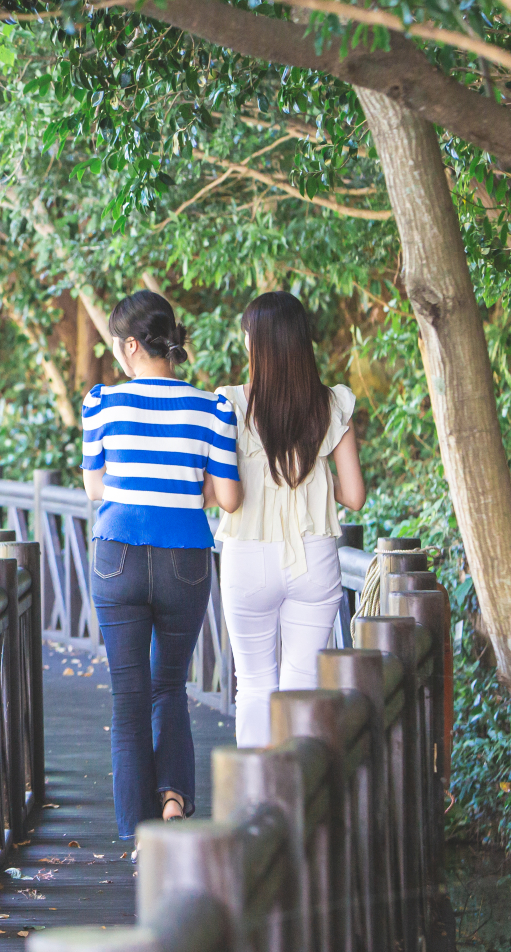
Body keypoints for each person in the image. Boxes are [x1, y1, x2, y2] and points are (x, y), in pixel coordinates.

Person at [80, 290, 243, 839]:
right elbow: (225, 495)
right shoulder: (213, 408)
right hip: (185, 560)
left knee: (128, 699)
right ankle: (174, 796)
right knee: (169, 685)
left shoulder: (102, 404)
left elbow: (96, 487)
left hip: (118, 556)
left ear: (130, 345)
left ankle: (138, 836)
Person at [215, 291, 366, 748]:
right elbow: (355, 496)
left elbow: (220, 495)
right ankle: (299, 807)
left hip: (247, 558)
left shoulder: (229, 404)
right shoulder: (331, 404)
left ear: (253, 343)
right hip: (313, 557)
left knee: (255, 686)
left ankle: (253, 808)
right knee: (301, 688)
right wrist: (316, 480)